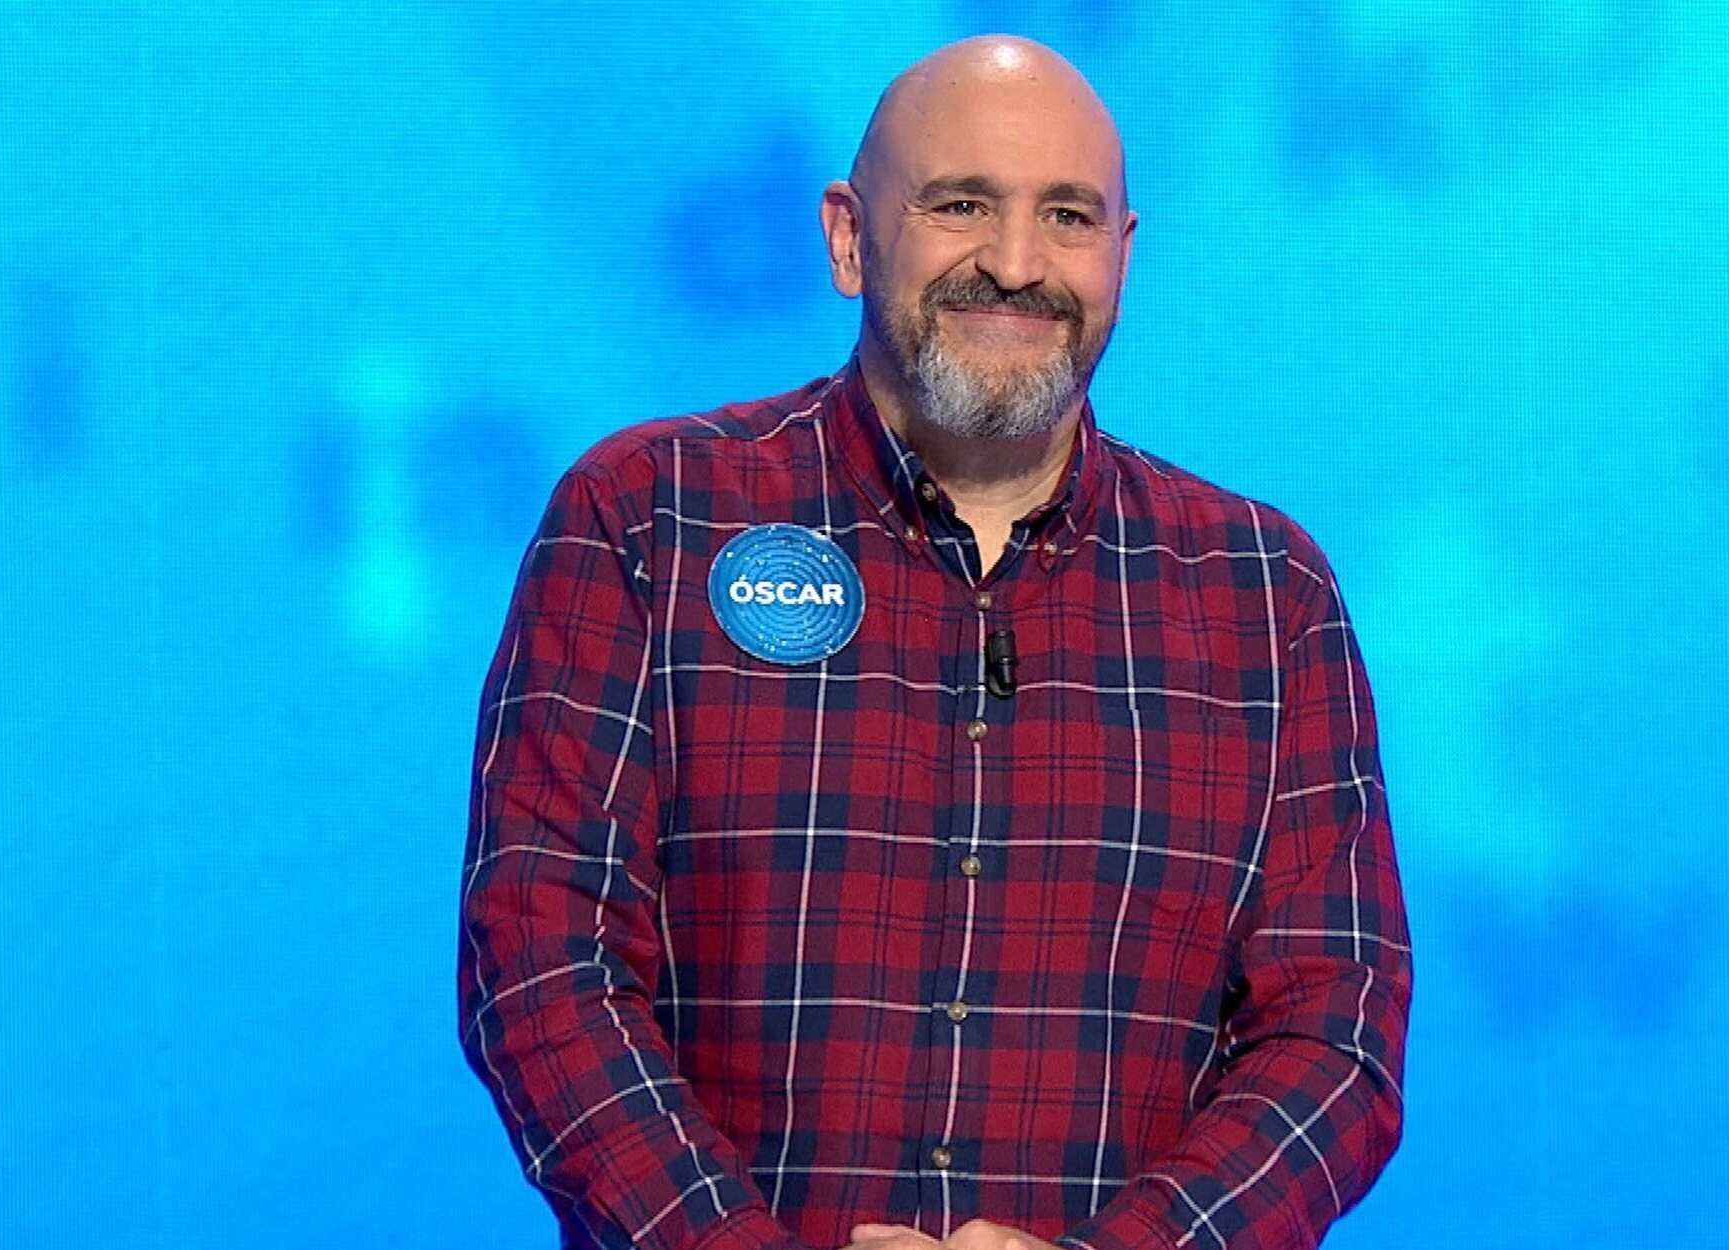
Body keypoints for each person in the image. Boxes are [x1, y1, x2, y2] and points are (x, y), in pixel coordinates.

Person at [460, 35, 1411, 1250]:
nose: (1014, 264)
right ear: (848, 237)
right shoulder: (649, 517)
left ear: (1122, 255)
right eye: (960, 204)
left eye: (1066, 216)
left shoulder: (1264, 595)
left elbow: (1333, 1033)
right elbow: (542, 964)